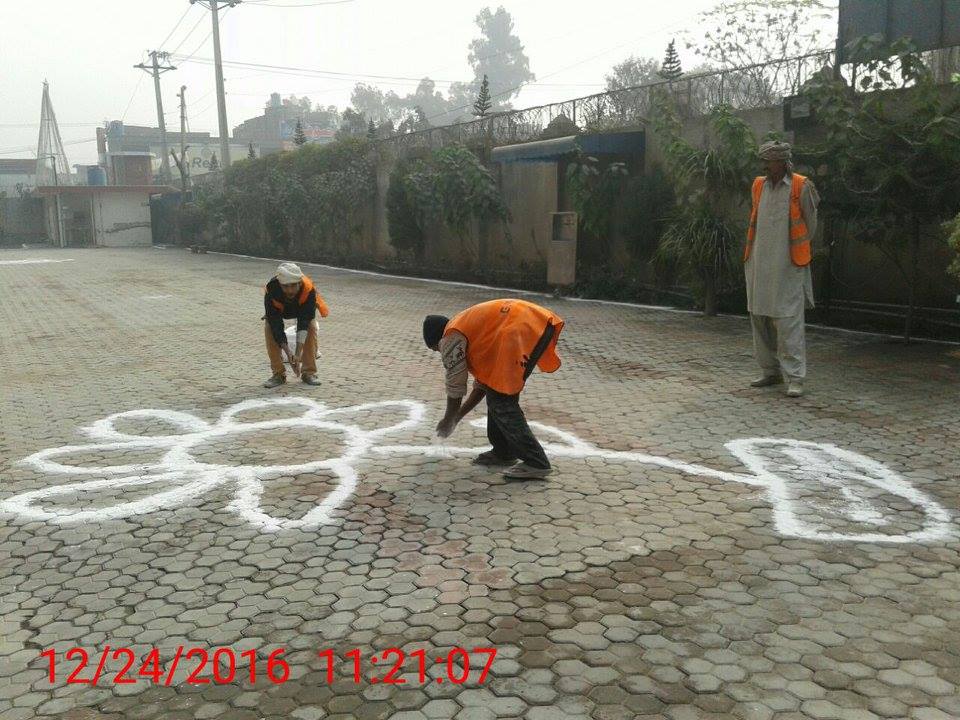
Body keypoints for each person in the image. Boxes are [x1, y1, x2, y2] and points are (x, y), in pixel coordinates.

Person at [422, 298, 564, 480]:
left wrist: (448, 419)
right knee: (497, 392)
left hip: (519, 327)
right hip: (529, 322)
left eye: (436, 349)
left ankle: (536, 462)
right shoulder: (472, 333)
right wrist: (456, 418)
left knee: (502, 401)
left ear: (437, 341)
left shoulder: (451, 337)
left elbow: (456, 383)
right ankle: (503, 452)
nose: (440, 352)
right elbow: (484, 386)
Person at [744, 140, 820, 398]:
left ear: (783, 162)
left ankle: (795, 377)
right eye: (763, 161)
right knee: (759, 318)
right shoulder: (758, 186)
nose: (765, 165)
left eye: (769, 161)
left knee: (788, 321)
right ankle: (770, 371)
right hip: (759, 264)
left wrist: (793, 255)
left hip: (788, 267)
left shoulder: (801, 185)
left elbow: (811, 227)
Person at [262, 262, 329, 388]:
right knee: (270, 327)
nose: (290, 290)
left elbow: (303, 322)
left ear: (300, 283)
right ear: (280, 284)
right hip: (281, 311)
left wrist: (297, 354)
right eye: (285, 287)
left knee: (311, 326)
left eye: (293, 286)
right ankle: (278, 374)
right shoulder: (271, 289)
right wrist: (288, 353)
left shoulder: (309, 290)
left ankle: (309, 373)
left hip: (301, 309)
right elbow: (276, 324)